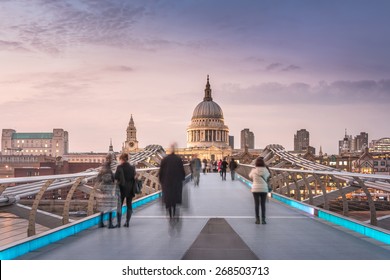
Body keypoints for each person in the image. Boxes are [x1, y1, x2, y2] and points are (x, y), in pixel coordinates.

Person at [159, 143, 186, 219]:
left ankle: (169, 211)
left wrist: (161, 180)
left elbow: (161, 171)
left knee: (168, 196)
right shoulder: (178, 159)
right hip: (176, 182)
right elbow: (182, 171)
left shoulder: (165, 159)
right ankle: (174, 210)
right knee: (175, 196)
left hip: (167, 182)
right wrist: (182, 178)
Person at [115, 153, 136, 228]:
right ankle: (127, 222)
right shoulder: (132, 167)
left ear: (122, 159)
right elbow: (134, 176)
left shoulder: (119, 167)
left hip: (121, 188)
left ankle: (118, 223)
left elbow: (116, 177)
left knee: (119, 205)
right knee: (129, 204)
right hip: (130, 189)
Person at [96, 154, 117, 228]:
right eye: (113, 159)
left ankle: (101, 223)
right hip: (108, 189)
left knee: (103, 206)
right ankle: (110, 224)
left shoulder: (102, 167)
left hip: (102, 189)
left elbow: (98, 178)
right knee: (110, 206)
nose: (113, 160)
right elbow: (112, 178)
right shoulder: (108, 167)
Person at [248, 157, 270, 224]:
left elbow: (250, 176)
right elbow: (268, 176)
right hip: (264, 188)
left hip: (255, 189)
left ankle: (257, 219)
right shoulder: (266, 170)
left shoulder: (254, 170)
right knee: (263, 204)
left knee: (256, 204)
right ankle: (263, 220)